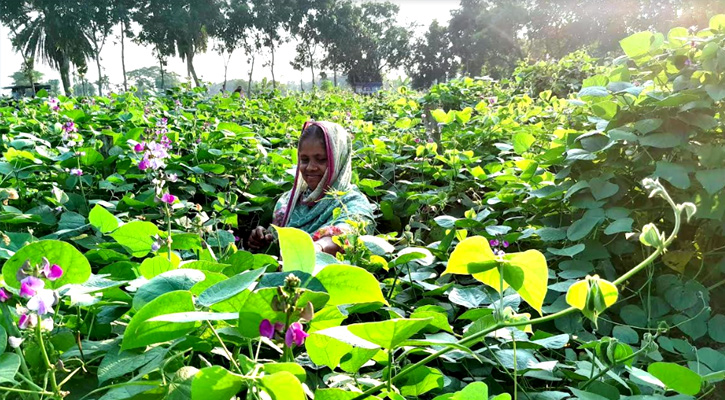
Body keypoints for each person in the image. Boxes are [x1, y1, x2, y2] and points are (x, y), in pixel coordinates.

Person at [248, 121, 375, 255]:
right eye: (304, 160)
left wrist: (319, 247)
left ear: (338, 160)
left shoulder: (352, 203)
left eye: (321, 160)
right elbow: (276, 244)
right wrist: (263, 238)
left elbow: (347, 233)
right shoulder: (290, 200)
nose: (310, 167)